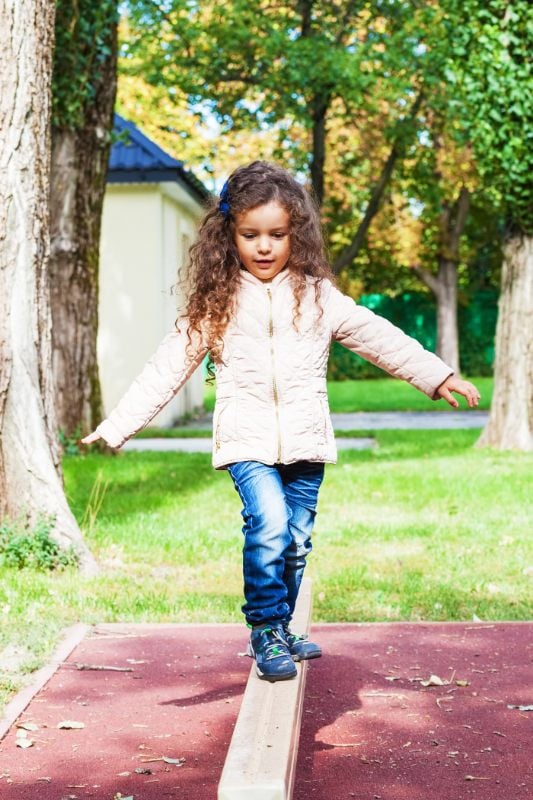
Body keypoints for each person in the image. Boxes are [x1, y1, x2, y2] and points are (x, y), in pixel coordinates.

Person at [82, 161, 480, 682]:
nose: (264, 247)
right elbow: (166, 367)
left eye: (276, 235)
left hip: (306, 440)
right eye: (250, 235)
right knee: (268, 526)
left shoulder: (317, 297)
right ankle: (265, 629)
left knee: (295, 543)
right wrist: (117, 427)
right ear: (230, 236)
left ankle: (284, 626)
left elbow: (379, 337)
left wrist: (437, 375)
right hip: (246, 441)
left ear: (297, 234)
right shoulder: (216, 304)